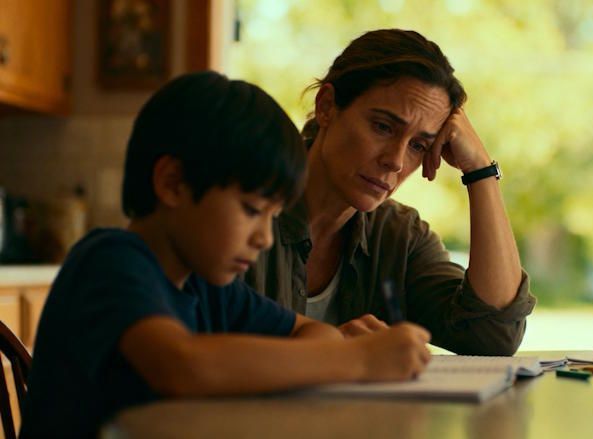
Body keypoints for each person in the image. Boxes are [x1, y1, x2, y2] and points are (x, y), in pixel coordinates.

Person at [20, 71, 431, 438]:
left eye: (273, 216)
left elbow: (315, 332)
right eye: (252, 210)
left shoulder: (205, 285)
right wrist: (357, 361)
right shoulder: (111, 262)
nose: (264, 239)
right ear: (173, 183)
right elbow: (181, 367)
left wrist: (335, 351)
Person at [246, 29, 536, 356]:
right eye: (383, 127)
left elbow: (494, 334)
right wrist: (329, 353)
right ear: (327, 106)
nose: (396, 161)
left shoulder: (399, 236)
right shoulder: (243, 207)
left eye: (418, 146)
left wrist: (480, 171)